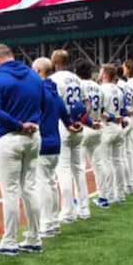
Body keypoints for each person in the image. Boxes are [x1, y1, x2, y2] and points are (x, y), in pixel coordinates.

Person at [0, 44, 46, 255]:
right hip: (33, 136)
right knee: (29, 187)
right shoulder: (33, 75)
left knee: (10, 191)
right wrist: (31, 122)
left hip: (9, 137)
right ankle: (34, 238)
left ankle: (10, 241)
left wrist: (19, 124)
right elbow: (44, 105)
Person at [33, 57, 82, 238]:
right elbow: (68, 122)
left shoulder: (38, 92)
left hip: (43, 141)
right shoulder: (56, 94)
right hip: (56, 141)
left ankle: (46, 223)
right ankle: (52, 221)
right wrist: (76, 126)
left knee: (43, 183)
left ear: (39, 71)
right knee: (51, 183)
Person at [50, 49, 90, 222]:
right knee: (78, 169)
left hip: (62, 124)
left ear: (55, 62)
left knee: (64, 169)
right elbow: (87, 103)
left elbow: (54, 105)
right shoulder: (77, 79)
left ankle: (68, 212)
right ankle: (84, 209)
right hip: (78, 125)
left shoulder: (54, 79)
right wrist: (81, 120)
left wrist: (67, 122)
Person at [75, 59, 105, 207]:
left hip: (84, 126)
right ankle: (104, 196)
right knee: (99, 163)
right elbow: (103, 108)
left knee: (78, 166)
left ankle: (81, 202)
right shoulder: (98, 87)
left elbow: (77, 107)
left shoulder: (78, 85)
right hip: (97, 125)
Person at [97, 64, 127, 204]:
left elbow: (100, 111)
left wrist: (112, 118)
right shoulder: (119, 89)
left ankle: (106, 196)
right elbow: (123, 111)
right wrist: (118, 118)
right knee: (118, 161)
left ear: (104, 75)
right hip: (118, 127)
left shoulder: (101, 89)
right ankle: (120, 193)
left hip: (107, 126)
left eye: (100, 72)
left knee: (106, 162)